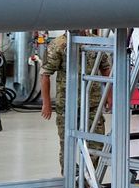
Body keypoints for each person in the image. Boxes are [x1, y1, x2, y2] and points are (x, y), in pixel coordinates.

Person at [40, 31, 111, 171]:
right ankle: (70, 181)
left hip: (92, 104)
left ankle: (89, 181)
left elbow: (106, 69)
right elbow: (45, 74)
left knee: (96, 145)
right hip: (67, 105)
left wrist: (109, 96)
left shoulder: (95, 41)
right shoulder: (59, 45)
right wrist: (46, 103)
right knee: (68, 145)